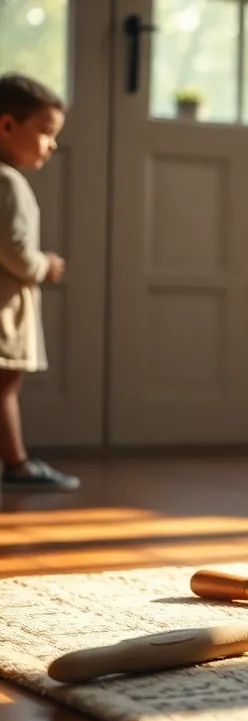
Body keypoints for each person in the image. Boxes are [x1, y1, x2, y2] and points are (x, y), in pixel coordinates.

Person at [0, 73, 79, 491]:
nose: (52, 145)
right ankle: (17, 465)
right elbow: (13, 249)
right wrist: (42, 265)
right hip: (4, 313)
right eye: (46, 133)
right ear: (7, 126)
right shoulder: (7, 183)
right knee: (5, 386)